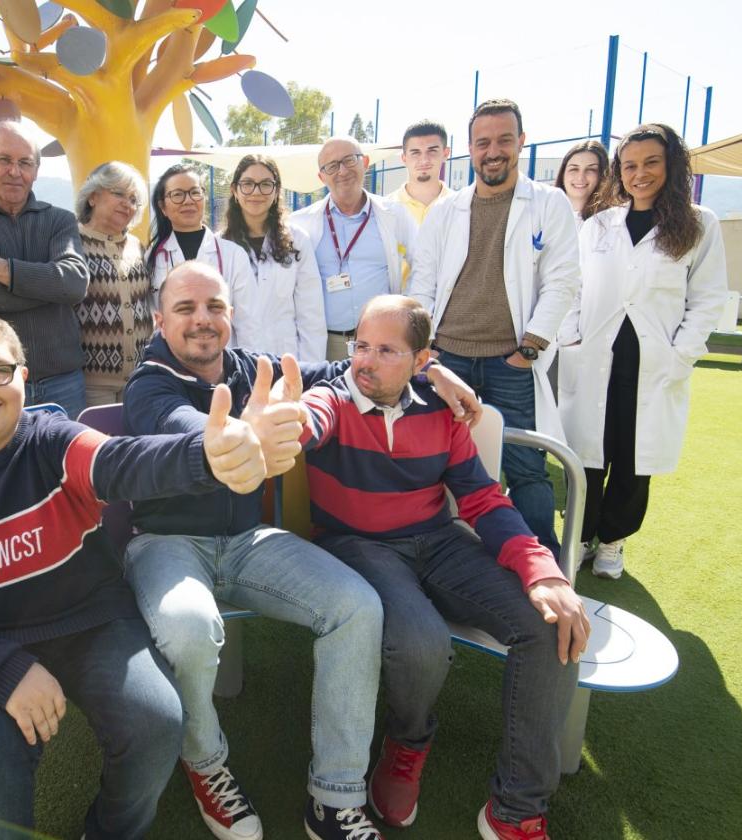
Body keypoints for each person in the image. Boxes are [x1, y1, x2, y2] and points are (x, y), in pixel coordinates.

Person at [121, 261, 481, 840]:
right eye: (185, 309)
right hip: (166, 543)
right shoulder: (148, 382)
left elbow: (358, 366)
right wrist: (238, 435)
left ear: (230, 315)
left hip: (247, 543)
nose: (202, 320)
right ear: (160, 320)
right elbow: (192, 428)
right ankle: (205, 763)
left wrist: (433, 370)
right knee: (189, 629)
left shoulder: (248, 367)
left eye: (214, 306)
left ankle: (334, 799)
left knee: (356, 606)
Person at [0, 313, 268, 840]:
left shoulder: (52, 441)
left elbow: (121, 461)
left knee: (156, 724)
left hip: (92, 624)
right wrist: (0, 670)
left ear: (23, 373)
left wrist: (208, 456)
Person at [297, 294, 589, 840]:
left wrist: (541, 570)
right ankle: (407, 742)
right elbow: (308, 420)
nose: (366, 360)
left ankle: (516, 808)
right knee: (421, 644)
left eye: (387, 350)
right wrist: (285, 426)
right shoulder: (333, 397)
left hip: (437, 538)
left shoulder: (441, 409)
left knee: (548, 626)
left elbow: (480, 498)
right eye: (361, 345)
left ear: (421, 358)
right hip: (358, 544)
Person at [408, 98, 580, 557]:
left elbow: (563, 280)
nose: (494, 150)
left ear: (521, 142)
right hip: (448, 360)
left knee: (526, 466)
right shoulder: (447, 212)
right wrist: (426, 351)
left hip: (512, 362)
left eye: (504, 139)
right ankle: (456, 556)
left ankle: (546, 562)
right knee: (442, 464)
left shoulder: (548, 204)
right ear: (470, 149)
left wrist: (528, 350)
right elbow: (422, 283)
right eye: (483, 142)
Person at [557, 124, 727, 579]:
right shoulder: (598, 224)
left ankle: (612, 541)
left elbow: (708, 297)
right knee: (588, 456)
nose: (640, 173)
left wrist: (681, 354)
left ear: (671, 165)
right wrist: (570, 336)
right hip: (594, 356)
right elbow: (573, 286)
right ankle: (580, 535)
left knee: (633, 458)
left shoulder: (698, 224)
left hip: (651, 363)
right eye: (629, 165)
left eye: (651, 162)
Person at [0, 120, 91, 417]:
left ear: (36, 170)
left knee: (64, 464)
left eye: (25, 162)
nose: (15, 171)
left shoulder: (59, 220)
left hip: (63, 381)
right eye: (4, 159)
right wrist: (51, 287)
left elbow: (75, 284)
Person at [291, 137, 417, 360]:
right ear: (321, 177)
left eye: (349, 160)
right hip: (326, 344)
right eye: (331, 166)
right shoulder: (300, 223)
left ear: (365, 162)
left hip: (382, 343)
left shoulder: (394, 214)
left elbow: (424, 264)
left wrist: (409, 318)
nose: (342, 171)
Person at [220, 153, 326, 361]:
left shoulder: (297, 240)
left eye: (266, 184)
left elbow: (310, 315)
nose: (256, 192)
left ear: (277, 190)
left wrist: (310, 371)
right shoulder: (218, 247)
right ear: (235, 190)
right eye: (248, 184)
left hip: (287, 360)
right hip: (237, 363)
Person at [147, 163, 258, 350]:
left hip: (221, 363)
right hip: (170, 364)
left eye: (194, 192)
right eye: (177, 195)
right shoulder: (152, 257)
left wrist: (247, 371)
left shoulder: (233, 255)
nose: (188, 201)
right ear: (162, 207)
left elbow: (249, 324)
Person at [74, 161, 152, 406]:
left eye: (133, 199)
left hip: (140, 380)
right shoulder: (71, 242)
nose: (127, 204)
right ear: (93, 197)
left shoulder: (137, 246)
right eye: (118, 193)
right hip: (92, 385)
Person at [387, 121, 454, 227]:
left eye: (432, 151)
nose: (424, 160)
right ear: (404, 158)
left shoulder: (461, 207)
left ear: (445, 153)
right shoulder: (385, 209)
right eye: (415, 152)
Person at [554, 139, 610, 225]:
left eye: (591, 169)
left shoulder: (611, 221)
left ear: (602, 175)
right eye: (574, 169)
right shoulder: (543, 214)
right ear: (563, 173)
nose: (580, 177)